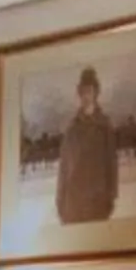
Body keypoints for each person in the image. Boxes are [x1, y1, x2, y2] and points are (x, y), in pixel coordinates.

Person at [53, 66, 118, 225]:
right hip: (73, 205)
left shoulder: (104, 126)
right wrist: (60, 201)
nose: (86, 96)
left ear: (96, 92)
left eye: (89, 91)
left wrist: (110, 197)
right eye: (83, 92)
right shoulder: (72, 128)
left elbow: (112, 165)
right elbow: (64, 168)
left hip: (97, 203)